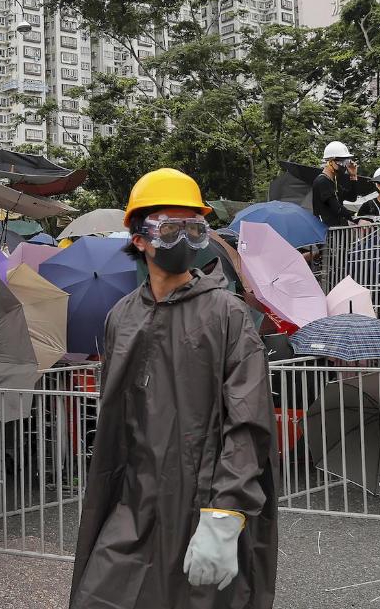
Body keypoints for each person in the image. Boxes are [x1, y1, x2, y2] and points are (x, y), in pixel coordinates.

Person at [69, 168, 278, 609]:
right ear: (140, 238)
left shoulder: (228, 316)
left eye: (194, 228)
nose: (182, 240)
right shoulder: (121, 317)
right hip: (133, 504)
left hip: (204, 505)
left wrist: (226, 512)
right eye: (169, 228)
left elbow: (249, 419)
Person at [312, 141, 359, 227]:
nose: (344, 166)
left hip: (336, 233)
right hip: (325, 232)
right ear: (330, 161)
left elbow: (352, 197)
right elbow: (337, 208)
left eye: (346, 162)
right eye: (342, 162)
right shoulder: (322, 181)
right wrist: (355, 218)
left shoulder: (334, 182)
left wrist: (353, 176)